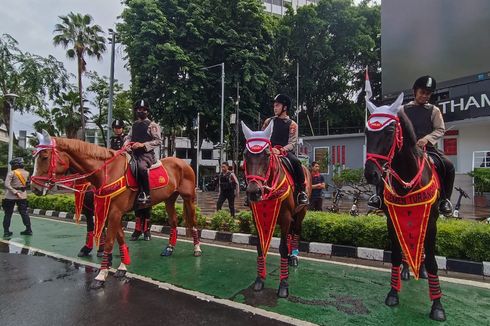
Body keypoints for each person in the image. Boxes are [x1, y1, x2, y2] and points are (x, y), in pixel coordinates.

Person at [367, 75, 455, 217]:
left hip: (427, 148)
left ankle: (444, 200)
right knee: (385, 164)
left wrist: (427, 139)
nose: (425, 96)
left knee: (448, 165)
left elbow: (440, 129)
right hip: (404, 148)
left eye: (428, 93)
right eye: (422, 92)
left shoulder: (434, 110)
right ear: (415, 91)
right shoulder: (402, 109)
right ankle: (378, 197)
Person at [262, 94, 308, 205]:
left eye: (277, 105)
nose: (275, 108)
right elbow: (263, 136)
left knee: (297, 162)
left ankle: (302, 191)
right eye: (274, 106)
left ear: (285, 107)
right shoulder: (268, 122)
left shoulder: (292, 124)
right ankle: (252, 191)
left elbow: (292, 143)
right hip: (269, 152)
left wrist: (281, 150)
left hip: (285, 153)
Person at [124, 100, 162, 204]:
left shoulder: (152, 125)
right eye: (139, 109)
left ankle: (146, 193)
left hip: (146, 155)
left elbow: (158, 141)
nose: (141, 111)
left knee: (141, 167)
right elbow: (129, 137)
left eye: (143, 110)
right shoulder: (134, 125)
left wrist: (143, 145)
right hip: (133, 154)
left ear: (147, 112)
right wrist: (126, 144)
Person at [2, 158, 32, 237]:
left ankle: (6, 232)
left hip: (10, 196)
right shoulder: (27, 173)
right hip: (22, 195)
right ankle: (28, 230)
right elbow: (28, 184)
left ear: (15, 165)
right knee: (24, 213)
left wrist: (15, 192)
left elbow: (6, 184)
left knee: (8, 214)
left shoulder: (11, 173)